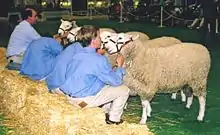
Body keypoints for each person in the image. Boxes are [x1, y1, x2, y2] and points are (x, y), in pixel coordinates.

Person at [49, 25, 130, 125]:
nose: (101, 39)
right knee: (123, 90)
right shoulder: (98, 59)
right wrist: (119, 66)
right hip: (82, 101)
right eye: (99, 37)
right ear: (94, 40)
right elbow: (116, 81)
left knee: (103, 83)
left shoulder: (77, 54)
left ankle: (104, 111)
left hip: (68, 97)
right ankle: (113, 119)